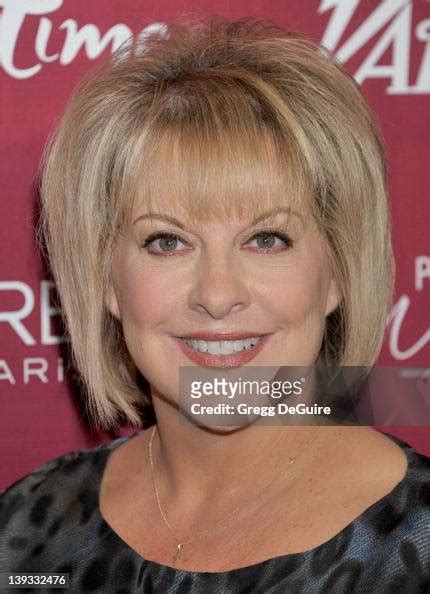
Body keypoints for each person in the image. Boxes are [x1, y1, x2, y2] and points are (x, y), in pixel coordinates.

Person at [1, 15, 429, 594]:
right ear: (105, 278)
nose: (218, 295)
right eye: (167, 241)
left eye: (267, 238)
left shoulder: (417, 542)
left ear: (337, 272)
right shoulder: (26, 531)